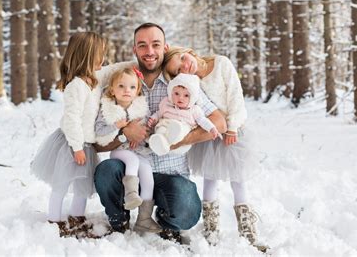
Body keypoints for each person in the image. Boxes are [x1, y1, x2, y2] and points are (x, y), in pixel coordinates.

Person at [93, 23, 227, 243]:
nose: (149, 51)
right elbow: (97, 144)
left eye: (155, 44)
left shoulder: (181, 83)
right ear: (134, 50)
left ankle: (164, 220)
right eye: (142, 45)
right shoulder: (123, 84)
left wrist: (176, 141)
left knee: (186, 213)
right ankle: (119, 219)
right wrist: (125, 132)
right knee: (106, 170)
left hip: (171, 172)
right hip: (131, 169)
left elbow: (219, 122)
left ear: (166, 47)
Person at [163, 47, 267, 251]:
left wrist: (233, 127)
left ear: (189, 51)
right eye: (179, 70)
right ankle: (211, 227)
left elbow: (236, 97)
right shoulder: (192, 83)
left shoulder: (221, 64)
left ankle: (247, 228)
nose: (185, 66)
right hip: (210, 134)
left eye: (183, 58)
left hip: (233, 131)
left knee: (238, 180)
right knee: (209, 179)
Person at [30, 32, 106, 238]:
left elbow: (112, 70)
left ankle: (77, 217)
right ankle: (54, 220)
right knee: (62, 184)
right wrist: (77, 147)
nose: (104, 59)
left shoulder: (93, 81)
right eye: (100, 55)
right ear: (87, 57)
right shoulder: (77, 86)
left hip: (86, 145)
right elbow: (72, 118)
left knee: (82, 186)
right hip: (72, 145)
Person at [94, 67, 161, 233]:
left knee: (147, 175)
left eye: (132, 87)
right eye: (121, 86)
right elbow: (99, 131)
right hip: (120, 152)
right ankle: (130, 194)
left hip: (138, 151)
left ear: (138, 90)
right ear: (112, 90)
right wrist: (118, 128)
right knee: (132, 160)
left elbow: (147, 129)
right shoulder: (108, 109)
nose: (126, 91)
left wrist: (143, 132)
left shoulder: (140, 109)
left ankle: (144, 218)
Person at [148, 73, 220, 156]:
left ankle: (174, 134)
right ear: (171, 93)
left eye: (186, 95)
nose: (180, 98)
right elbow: (158, 113)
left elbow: (202, 120)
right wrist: (153, 119)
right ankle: (159, 142)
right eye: (176, 94)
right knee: (161, 129)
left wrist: (211, 128)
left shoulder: (194, 110)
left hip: (183, 132)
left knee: (182, 129)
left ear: (192, 97)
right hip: (166, 125)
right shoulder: (166, 104)